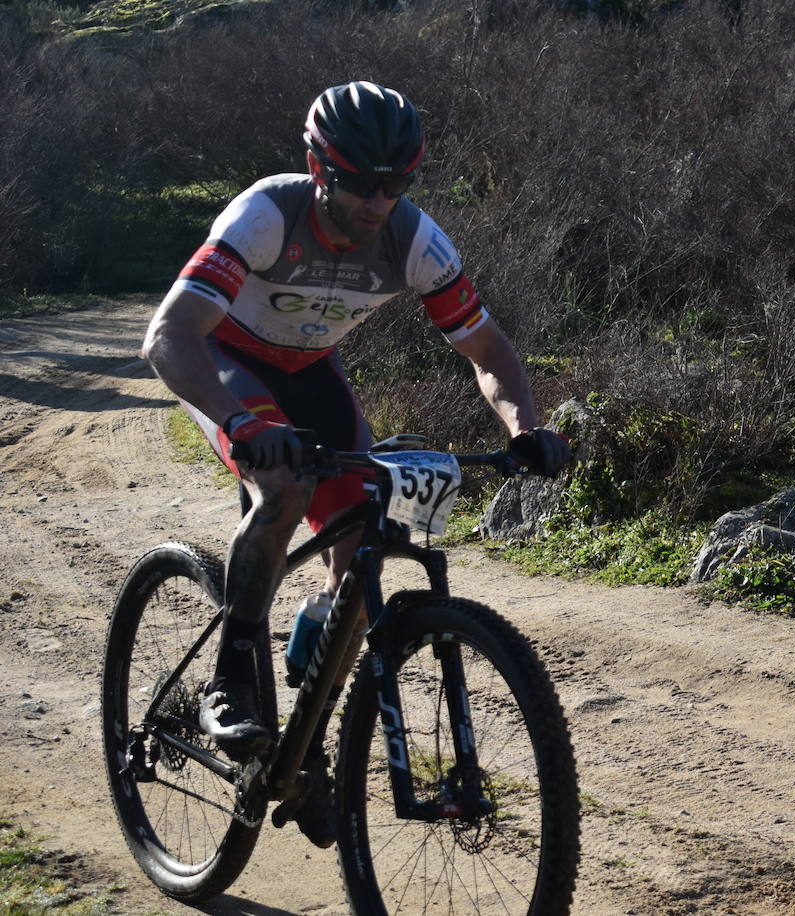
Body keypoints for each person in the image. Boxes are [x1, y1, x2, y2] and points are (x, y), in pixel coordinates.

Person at [140, 80, 569, 847]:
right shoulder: (267, 216)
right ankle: (232, 678)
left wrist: (525, 428)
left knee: (366, 534)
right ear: (318, 168)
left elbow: (488, 349)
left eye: (396, 183)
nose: (378, 201)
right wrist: (239, 421)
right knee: (280, 486)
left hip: (310, 373)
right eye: (360, 183)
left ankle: (300, 741)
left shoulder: (416, 240)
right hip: (225, 360)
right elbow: (169, 335)